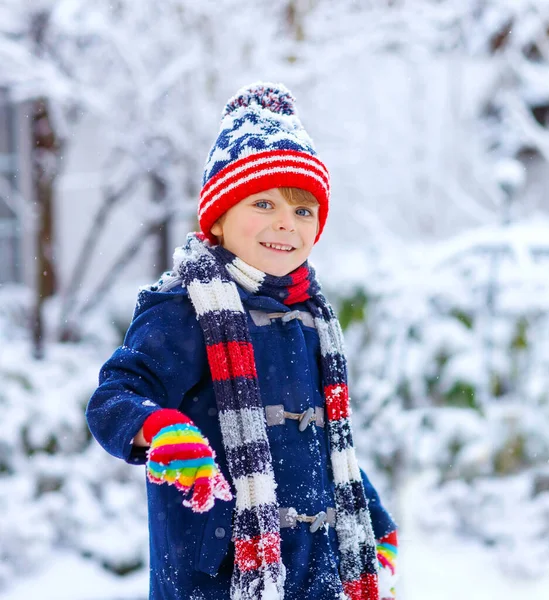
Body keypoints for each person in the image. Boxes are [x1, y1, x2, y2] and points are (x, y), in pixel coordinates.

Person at [86, 82, 398, 600]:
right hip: (220, 574)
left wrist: (372, 520)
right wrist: (157, 428)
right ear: (220, 217)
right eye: (263, 203)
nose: (285, 223)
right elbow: (114, 397)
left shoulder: (311, 317)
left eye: (302, 210)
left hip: (315, 576)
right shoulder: (186, 307)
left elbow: (321, 446)